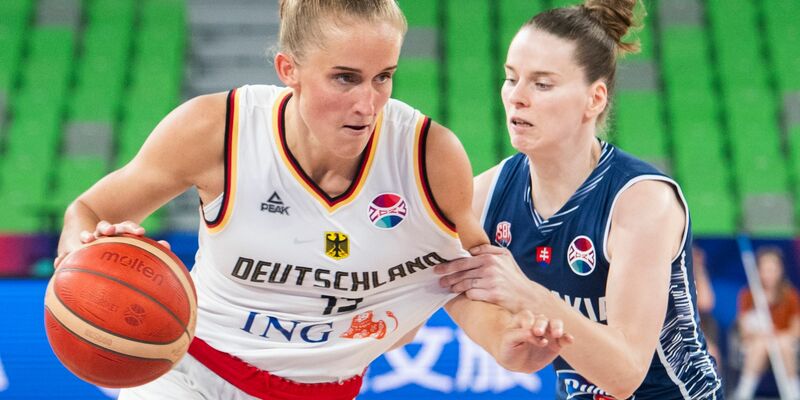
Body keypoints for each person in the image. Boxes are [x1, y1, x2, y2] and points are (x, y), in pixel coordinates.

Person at [54, 1, 571, 399]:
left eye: (383, 77)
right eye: (344, 78)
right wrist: (85, 253)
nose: (367, 104)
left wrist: (509, 343)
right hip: (191, 373)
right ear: (289, 69)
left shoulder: (428, 156)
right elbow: (91, 211)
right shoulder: (218, 129)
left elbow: (466, 282)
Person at [434, 0, 723, 398]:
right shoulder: (488, 193)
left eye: (542, 84)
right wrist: (501, 336)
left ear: (595, 99)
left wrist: (526, 293)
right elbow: (436, 278)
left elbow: (625, 375)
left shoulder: (641, 201)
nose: (516, 97)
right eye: (510, 78)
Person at [732, 246, 800, 400]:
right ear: (758, 271)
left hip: (785, 345)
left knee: (782, 343)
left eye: (773, 270)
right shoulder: (748, 295)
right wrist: (762, 334)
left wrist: (777, 336)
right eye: (765, 269)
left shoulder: (790, 295)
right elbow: (744, 330)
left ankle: (793, 392)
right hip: (756, 343)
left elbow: (796, 330)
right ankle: (744, 392)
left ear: (780, 270)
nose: (769, 274)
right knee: (761, 344)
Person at [694, 245, 722, 370]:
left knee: (712, 352)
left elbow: (706, 304)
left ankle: (713, 389)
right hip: (669, 330)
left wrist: (699, 269)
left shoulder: (698, 275)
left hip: (696, 331)